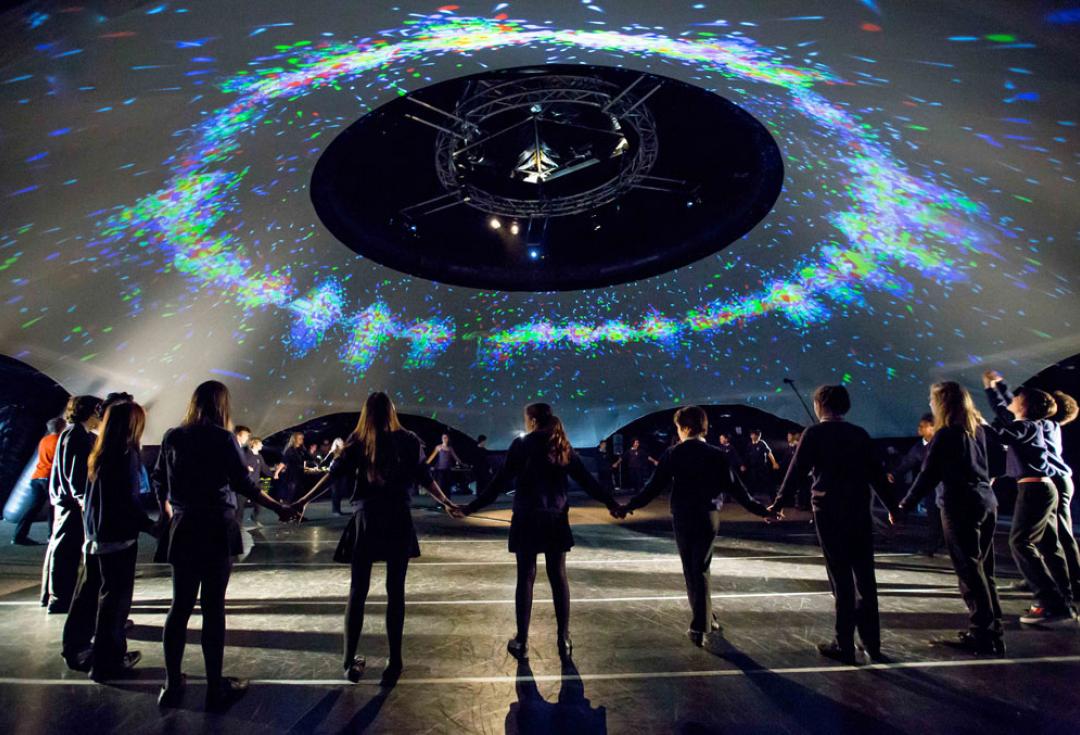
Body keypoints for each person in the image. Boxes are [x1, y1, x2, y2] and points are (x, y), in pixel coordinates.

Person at [291, 393, 458, 686]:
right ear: (392, 411)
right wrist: (445, 502)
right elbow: (424, 477)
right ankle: (395, 660)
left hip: (367, 519)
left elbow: (332, 475)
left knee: (358, 591)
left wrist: (303, 500)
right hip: (397, 517)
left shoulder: (358, 441)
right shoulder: (407, 439)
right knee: (396, 592)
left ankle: (349, 661)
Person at [152, 381, 297, 711]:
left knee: (180, 607)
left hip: (185, 527)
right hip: (216, 526)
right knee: (213, 608)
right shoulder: (222, 438)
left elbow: (159, 477)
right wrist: (279, 508)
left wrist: (170, 510)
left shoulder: (173, 436)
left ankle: (172, 684)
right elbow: (243, 483)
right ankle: (214, 688)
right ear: (222, 405)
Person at [456, 403, 621, 661]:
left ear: (531, 420)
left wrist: (470, 508)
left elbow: (498, 483)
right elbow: (587, 481)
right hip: (555, 517)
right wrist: (612, 503)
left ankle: (521, 640)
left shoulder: (522, 445)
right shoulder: (561, 444)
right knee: (558, 577)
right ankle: (563, 638)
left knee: (526, 577)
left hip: (526, 517)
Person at [616, 406, 777, 647]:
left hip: (682, 515)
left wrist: (628, 506)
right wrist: (762, 511)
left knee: (691, 569)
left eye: (678, 428)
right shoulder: (717, 455)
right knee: (701, 567)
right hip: (708, 515)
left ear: (686, 428)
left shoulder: (673, 453)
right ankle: (705, 617)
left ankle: (700, 625)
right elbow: (738, 490)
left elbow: (652, 487)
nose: (677, 432)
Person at [768, 385, 898, 664]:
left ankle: (844, 643)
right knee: (865, 576)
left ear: (819, 405)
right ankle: (872, 643)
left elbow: (796, 473)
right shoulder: (859, 434)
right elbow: (876, 474)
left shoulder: (814, 433)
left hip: (829, 511)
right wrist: (894, 507)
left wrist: (778, 503)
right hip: (859, 511)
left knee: (840, 576)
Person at [895, 382, 1004, 656]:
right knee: (984, 570)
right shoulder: (977, 429)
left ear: (942, 404)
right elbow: (999, 460)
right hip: (987, 501)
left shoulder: (945, 435)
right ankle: (993, 631)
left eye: (932, 400)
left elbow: (928, 475)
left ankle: (981, 634)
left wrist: (904, 505)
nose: (930, 405)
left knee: (968, 570)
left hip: (960, 505)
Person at [65, 401, 157, 680]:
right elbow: (127, 501)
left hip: (95, 535)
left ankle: (76, 648)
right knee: (114, 602)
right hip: (117, 539)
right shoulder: (125, 454)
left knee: (88, 595)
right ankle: (108, 661)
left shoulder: (100, 451)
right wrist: (151, 527)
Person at [982, 370, 1072, 625]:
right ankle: (1059, 601)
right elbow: (1004, 415)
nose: (1014, 399)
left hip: (1035, 490)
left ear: (1025, 406)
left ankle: (1051, 603)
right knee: (1045, 544)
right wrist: (994, 387)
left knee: (1020, 543)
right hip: (1039, 489)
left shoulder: (1026, 426)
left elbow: (1000, 429)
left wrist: (980, 420)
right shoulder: (1028, 425)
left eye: (1018, 398)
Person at [41, 395, 102, 614]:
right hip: (71, 503)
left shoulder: (73, 433)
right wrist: (83, 500)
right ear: (91, 412)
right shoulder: (76, 435)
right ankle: (60, 598)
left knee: (62, 547)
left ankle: (55, 595)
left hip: (68, 501)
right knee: (66, 549)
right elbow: (75, 475)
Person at [888, 414, 944, 556]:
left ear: (932, 427)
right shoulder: (920, 446)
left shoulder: (942, 443)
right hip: (931, 488)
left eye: (923, 426)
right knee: (933, 517)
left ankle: (942, 542)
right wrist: (894, 474)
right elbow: (908, 462)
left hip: (945, 487)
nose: (919, 429)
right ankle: (933, 545)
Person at [1046, 391, 1080, 603]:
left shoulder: (1048, 427)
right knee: (1052, 533)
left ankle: (1074, 582)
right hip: (1060, 480)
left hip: (1057, 481)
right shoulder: (1051, 428)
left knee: (1062, 533)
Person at [16, 417, 66, 546]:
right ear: (61, 427)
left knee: (33, 508)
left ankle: (19, 535)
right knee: (54, 507)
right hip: (49, 477)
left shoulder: (44, 440)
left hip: (37, 476)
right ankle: (52, 536)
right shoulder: (60, 441)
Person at [239, 433, 282, 524]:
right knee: (240, 506)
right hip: (245, 483)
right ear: (254, 444)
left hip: (256, 484)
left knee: (259, 503)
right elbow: (240, 464)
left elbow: (264, 468)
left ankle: (254, 517)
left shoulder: (259, 456)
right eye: (260, 443)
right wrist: (246, 467)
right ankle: (238, 524)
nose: (262, 445)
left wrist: (273, 475)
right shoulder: (246, 455)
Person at [744, 429, 780, 499]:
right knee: (751, 484)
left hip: (762, 468)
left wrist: (774, 463)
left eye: (759, 435)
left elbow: (769, 453)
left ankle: (774, 498)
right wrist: (744, 465)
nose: (758, 436)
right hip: (753, 468)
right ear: (752, 435)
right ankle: (749, 498)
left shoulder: (762, 443)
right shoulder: (749, 445)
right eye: (755, 434)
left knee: (768, 483)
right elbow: (747, 456)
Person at [280, 432, 313, 504]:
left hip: (300, 475)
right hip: (292, 475)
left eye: (302, 438)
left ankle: (297, 513)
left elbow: (309, 458)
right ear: (295, 440)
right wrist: (277, 472)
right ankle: (288, 509)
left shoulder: (302, 449)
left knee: (300, 496)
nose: (302, 440)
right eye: (300, 439)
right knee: (292, 494)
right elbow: (284, 461)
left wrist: (311, 452)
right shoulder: (290, 450)